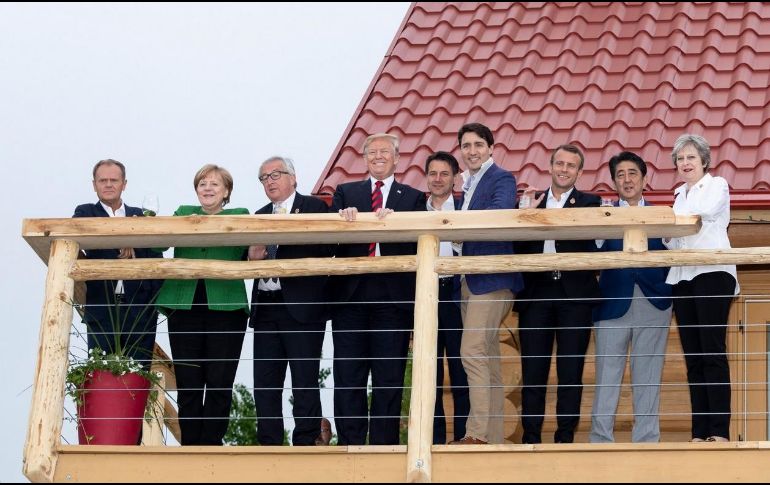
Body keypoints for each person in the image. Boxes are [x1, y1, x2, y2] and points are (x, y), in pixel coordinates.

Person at [330, 132, 426, 445]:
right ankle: (350, 444)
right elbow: (333, 239)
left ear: (397, 158)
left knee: (389, 377)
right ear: (365, 158)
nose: (378, 157)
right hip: (350, 297)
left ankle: (384, 446)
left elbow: (419, 241)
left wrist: (394, 224)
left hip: (393, 299)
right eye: (372, 153)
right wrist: (346, 222)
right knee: (348, 376)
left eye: (385, 152)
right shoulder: (345, 193)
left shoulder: (412, 198)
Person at [155, 164, 250, 446]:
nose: (207, 189)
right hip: (184, 307)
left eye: (214, 184)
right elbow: (160, 241)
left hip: (227, 309)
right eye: (202, 184)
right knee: (188, 381)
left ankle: (212, 443)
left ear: (226, 192)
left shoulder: (240, 216)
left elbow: (255, 251)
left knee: (220, 381)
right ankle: (191, 445)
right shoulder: (183, 213)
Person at [513, 144, 601, 444]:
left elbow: (587, 241)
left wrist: (542, 216)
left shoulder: (590, 203)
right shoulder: (528, 203)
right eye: (559, 164)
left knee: (570, 370)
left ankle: (565, 437)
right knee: (533, 370)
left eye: (571, 165)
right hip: (536, 293)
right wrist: (526, 214)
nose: (564, 169)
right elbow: (516, 246)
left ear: (579, 172)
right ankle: (531, 437)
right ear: (550, 167)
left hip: (574, 296)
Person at [589, 151, 672, 443]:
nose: (627, 179)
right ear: (614, 181)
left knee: (648, 376)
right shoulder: (604, 214)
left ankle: (647, 441)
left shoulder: (663, 214)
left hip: (654, 301)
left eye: (632, 173)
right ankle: (600, 442)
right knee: (606, 377)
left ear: (644, 179)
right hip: (611, 304)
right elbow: (594, 256)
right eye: (620, 174)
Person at [248, 156, 332, 446]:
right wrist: (251, 257)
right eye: (264, 178)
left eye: (276, 174)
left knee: (304, 378)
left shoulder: (314, 208)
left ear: (293, 178)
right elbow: (247, 257)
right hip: (266, 305)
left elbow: (325, 249)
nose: (269, 181)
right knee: (265, 383)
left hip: (302, 306)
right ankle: (269, 443)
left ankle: (307, 441)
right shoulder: (258, 215)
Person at [449, 123, 523, 445]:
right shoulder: (468, 185)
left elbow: (498, 214)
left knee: (472, 350)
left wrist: (457, 225)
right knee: (488, 359)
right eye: (466, 146)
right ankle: (492, 436)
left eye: (479, 144)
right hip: (469, 280)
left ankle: (476, 434)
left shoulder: (501, 178)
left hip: (492, 278)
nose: (472, 150)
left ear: (491, 148)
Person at [663, 134, 739, 443]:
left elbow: (702, 213)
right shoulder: (678, 194)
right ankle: (700, 431)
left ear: (704, 160)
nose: (685, 163)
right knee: (693, 357)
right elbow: (669, 239)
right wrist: (671, 226)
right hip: (682, 276)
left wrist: (672, 224)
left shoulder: (717, 185)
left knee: (712, 352)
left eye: (691, 157)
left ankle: (719, 431)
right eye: (680, 159)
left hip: (712, 273)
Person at [73, 159, 161, 364]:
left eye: (114, 180)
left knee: (139, 374)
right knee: (100, 373)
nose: (108, 184)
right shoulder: (85, 212)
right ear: (94, 184)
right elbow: (83, 232)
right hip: (102, 307)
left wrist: (151, 302)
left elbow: (156, 256)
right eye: (102, 180)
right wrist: (125, 237)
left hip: (140, 309)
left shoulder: (141, 215)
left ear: (124, 184)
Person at [424, 151, 470, 444]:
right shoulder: (413, 206)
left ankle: (464, 437)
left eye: (444, 174)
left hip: (456, 293)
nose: (438, 179)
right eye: (432, 173)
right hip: (425, 294)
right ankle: (433, 441)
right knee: (430, 373)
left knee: (461, 368)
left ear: (455, 178)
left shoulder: (467, 206)